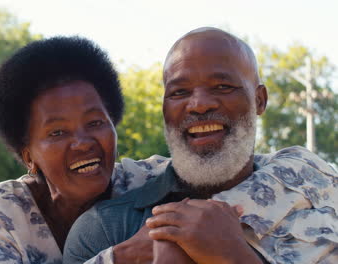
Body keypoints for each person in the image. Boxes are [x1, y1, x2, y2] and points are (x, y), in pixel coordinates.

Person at [63, 28, 337, 264]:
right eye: (179, 92)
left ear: (260, 100)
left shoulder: (319, 200)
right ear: (164, 110)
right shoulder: (106, 230)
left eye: (222, 86)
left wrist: (235, 257)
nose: (199, 104)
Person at [0, 36, 168, 263]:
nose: (82, 143)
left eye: (95, 123)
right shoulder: (1, 217)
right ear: (29, 157)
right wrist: (118, 258)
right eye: (57, 132)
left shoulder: (155, 182)